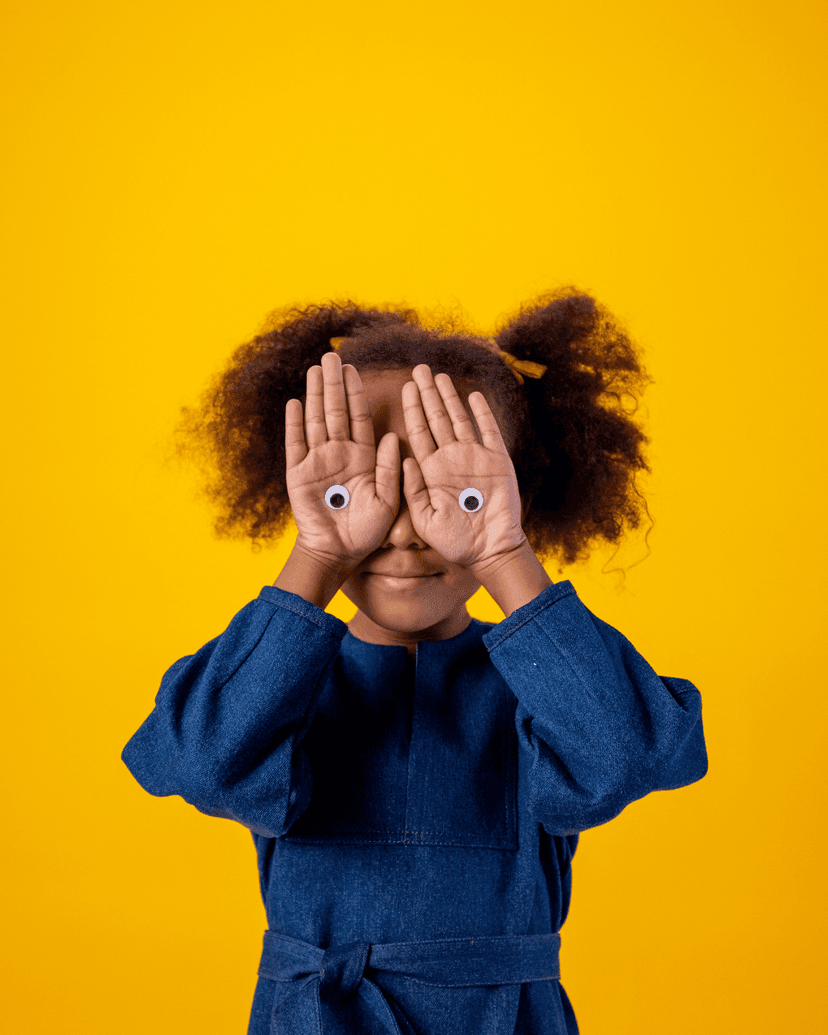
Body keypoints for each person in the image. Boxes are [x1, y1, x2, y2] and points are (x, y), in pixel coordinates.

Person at [122, 287, 708, 1035]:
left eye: (448, 493)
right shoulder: (288, 687)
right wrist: (319, 550)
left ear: (516, 492)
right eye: (360, 487)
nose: (403, 532)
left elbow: (630, 751)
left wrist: (500, 548)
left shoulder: (539, 691)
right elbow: (200, 761)